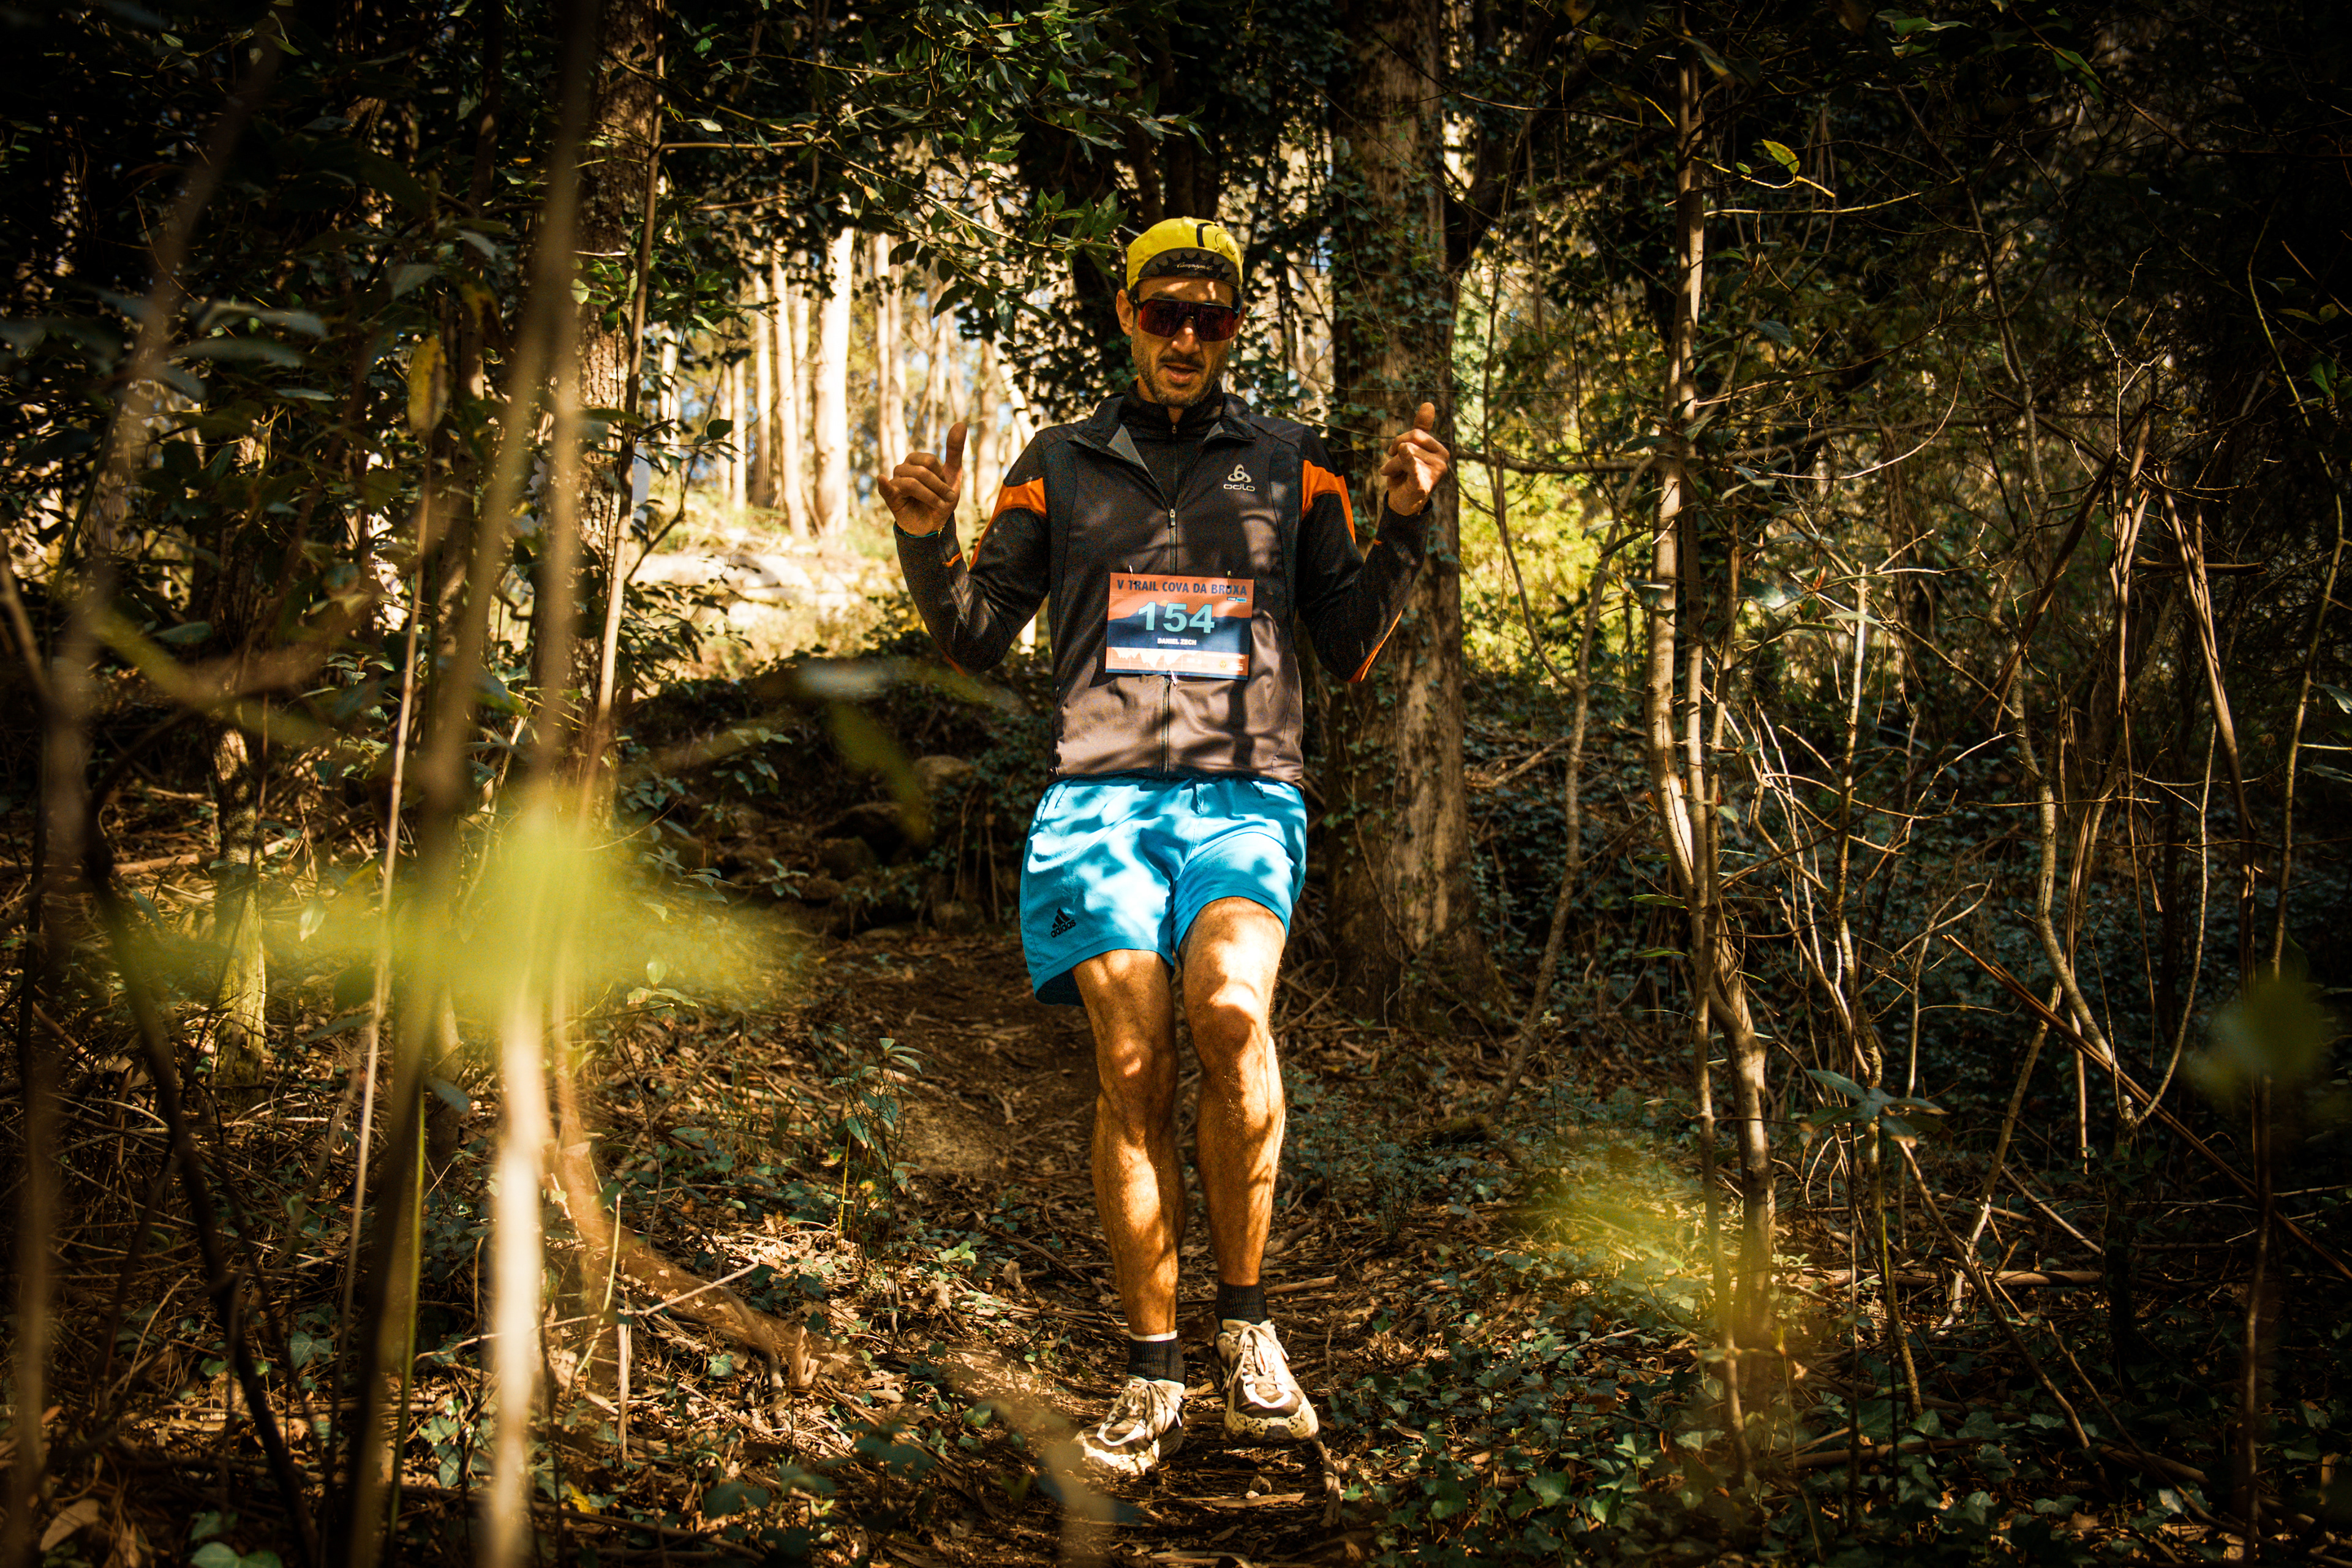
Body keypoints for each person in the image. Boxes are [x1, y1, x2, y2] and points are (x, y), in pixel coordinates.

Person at [881, 217, 1449, 1480]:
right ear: (1130, 318)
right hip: (1099, 801)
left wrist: (1405, 524)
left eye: (1211, 318)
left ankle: (1247, 1330)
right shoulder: (1058, 463)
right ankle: (1152, 1373)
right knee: (1133, 1062)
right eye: (1164, 314)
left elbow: (1348, 644)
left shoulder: (1294, 462)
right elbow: (975, 637)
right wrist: (926, 539)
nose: (1186, 336)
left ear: (1233, 329)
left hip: (1246, 795)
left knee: (1232, 1017)